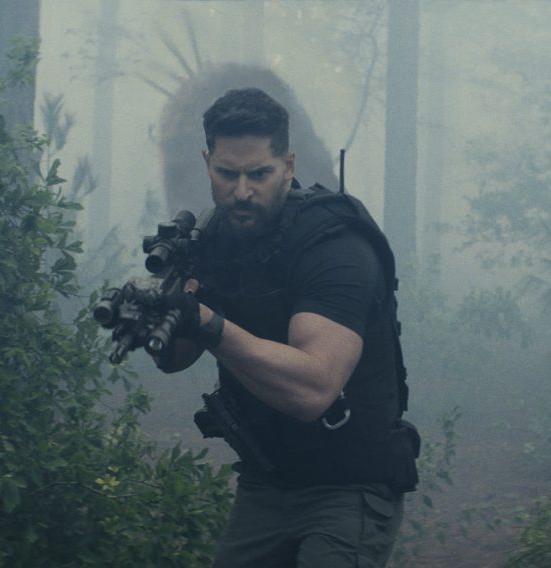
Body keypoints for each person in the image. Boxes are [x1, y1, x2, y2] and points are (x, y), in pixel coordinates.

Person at [155, 87, 419, 568]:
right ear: (207, 163)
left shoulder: (335, 247)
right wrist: (159, 316)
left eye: (259, 174)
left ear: (289, 165)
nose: (242, 191)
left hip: (349, 484)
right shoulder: (215, 239)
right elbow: (175, 360)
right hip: (268, 481)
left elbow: (314, 390)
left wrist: (207, 323)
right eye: (227, 173)